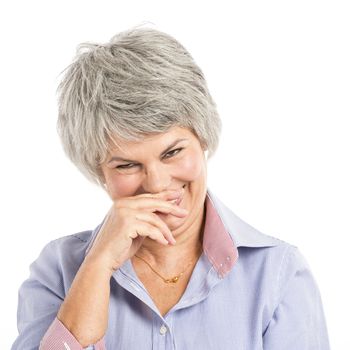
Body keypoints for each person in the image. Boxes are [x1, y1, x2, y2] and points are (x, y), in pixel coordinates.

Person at [12, 27, 330, 350]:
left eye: (172, 152)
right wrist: (96, 268)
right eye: (126, 165)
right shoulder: (58, 272)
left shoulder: (279, 275)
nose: (157, 184)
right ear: (99, 172)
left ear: (203, 137)